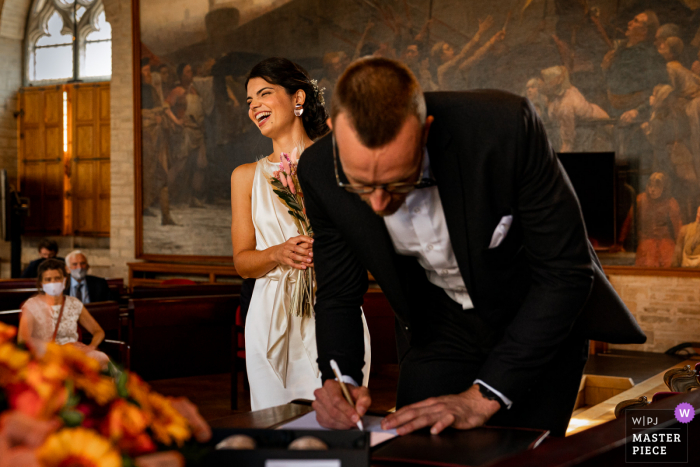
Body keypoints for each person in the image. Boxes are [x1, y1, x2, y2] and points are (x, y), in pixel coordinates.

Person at [298, 58, 645, 437]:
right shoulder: (318, 171)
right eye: (361, 185)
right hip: (437, 328)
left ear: (425, 131)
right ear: (335, 133)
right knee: (416, 450)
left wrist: (482, 397)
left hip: (535, 318)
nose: (379, 203)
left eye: (398, 183)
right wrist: (340, 376)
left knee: (522, 458)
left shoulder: (504, 128)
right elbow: (338, 292)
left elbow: (565, 272)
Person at [230, 57, 371, 411]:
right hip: (270, 316)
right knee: (274, 428)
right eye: (250, 102)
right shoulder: (245, 176)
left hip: (333, 307)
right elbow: (243, 263)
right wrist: (278, 253)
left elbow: (364, 242)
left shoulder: (337, 163)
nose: (255, 106)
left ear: (297, 99)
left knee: (337, 417)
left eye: (264, 94)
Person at [18, 259, 109, 367]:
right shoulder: (32, 305)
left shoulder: (74, 303)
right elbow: (22, 339)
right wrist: (59, 349)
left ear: (64, 280)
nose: (53, 283)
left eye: (57, 278)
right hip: (45, 355)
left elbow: (98, 332)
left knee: (101, 358)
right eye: (48, 279)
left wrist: (90, 347)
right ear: (42, 284)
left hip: (74, 354)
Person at [617, 172, 682, 268]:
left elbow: (678, 227)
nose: (652, 190)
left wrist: (680, 246)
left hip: (666, 242)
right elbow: (628, 221)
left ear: (664, 188)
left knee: (669, 264)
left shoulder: (671, 202)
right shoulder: (640, 199)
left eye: (657, 187)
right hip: (646, 241)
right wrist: (620, 242)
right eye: (650, 186)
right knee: (648, 263)